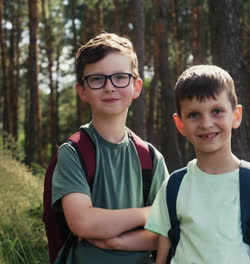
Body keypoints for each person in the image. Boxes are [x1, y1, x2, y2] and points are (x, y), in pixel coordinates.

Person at [51, 32, 169, 263]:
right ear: (82, 90)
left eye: (120, 77)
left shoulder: (151, 158)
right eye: (97, 79)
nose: (109, 87)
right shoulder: (74, 152)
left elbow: (167, 231)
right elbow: (83, 222)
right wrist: (146, 214)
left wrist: (116, 241)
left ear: (136, 86)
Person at [145, 65, 250, 264]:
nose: (206, 123)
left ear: (236, 116)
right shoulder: (174, 185)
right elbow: (163, 255)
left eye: (217, 111)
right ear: (180, 123)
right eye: (194, 114)